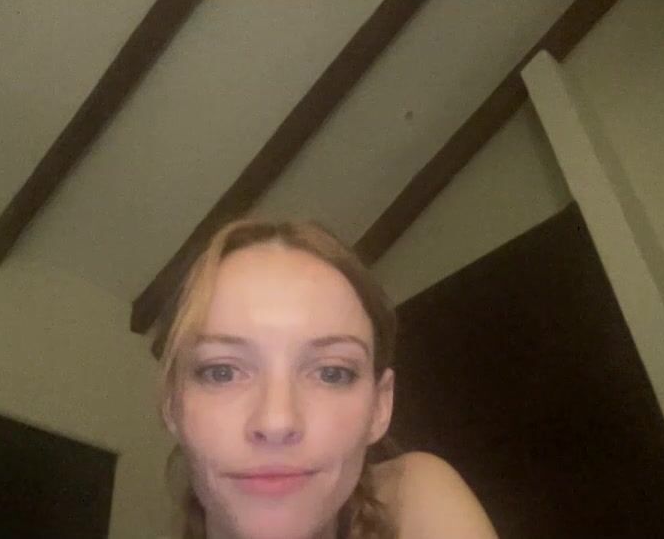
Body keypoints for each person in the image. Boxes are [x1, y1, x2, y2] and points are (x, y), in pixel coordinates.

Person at [151, 219, 497, 539]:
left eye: (331, 373)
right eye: (222, 372)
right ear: (171, 404)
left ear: (380, 406)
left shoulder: (415, 497)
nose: (277, 422)